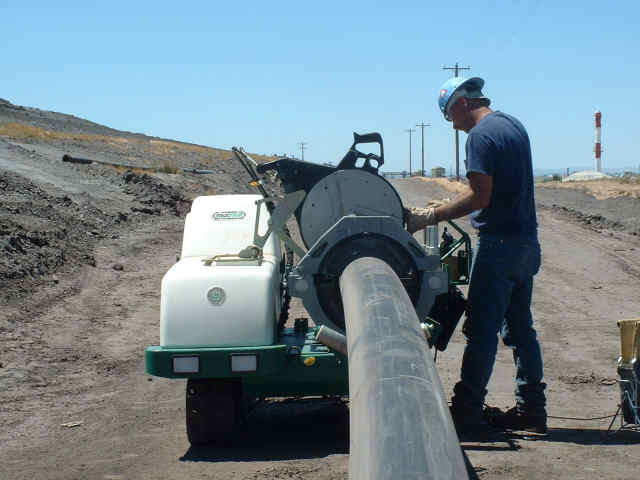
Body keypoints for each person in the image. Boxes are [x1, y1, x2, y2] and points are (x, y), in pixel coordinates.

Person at [406, 76, 547, 434]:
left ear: (462, 104)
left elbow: (480, 196)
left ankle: (467, 411)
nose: (452, 125)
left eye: (449, 116)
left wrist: (432, 215)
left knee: (481, 330)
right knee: (521, 329)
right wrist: (450, 205)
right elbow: (498, 190)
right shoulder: (512, 125)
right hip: (525, 244)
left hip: (498, 247)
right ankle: (532, 410)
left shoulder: (480, 136)